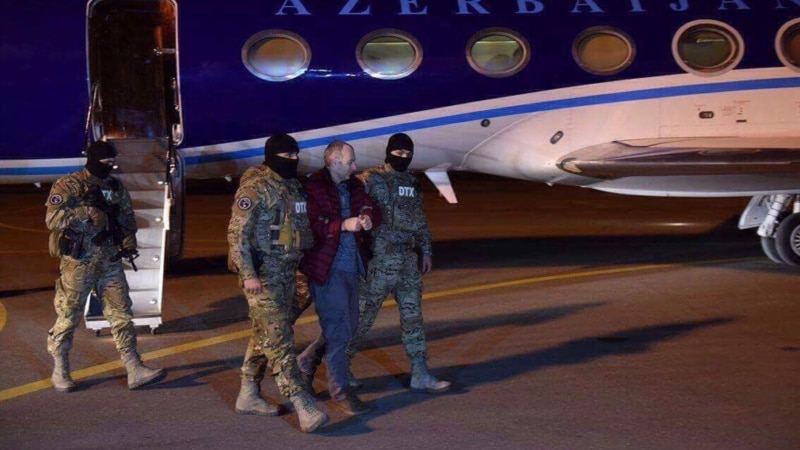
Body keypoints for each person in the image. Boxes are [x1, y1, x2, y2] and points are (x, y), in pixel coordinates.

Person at [45, 140, 166, 392]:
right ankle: (60, 369)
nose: (109, 167)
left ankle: (134, 367)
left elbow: (126, 216)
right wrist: (85, 212)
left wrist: (128, 237)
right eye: (105, 162)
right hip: (79, 263)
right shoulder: (69, 184)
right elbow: (52, 219)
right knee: (68, 315)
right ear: (92, 160)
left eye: (112, 162)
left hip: (109, 261)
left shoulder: (114, 186)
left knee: (121, 314)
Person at [227, 133, 328, 433]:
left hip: (289, 273)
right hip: (263, 276)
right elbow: (237, 235)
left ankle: (248, 393)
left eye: (296, 155)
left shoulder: (293, 186)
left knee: (267, 331)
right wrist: (248, 274)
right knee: (279, 338)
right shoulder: (255, 188)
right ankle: (303, 405)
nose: (293, 161)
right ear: (271, 157)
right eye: (287, 157)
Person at [347, 132, 451, 393]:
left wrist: (425, 251)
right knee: (361, 318)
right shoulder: (371, 179)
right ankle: (340, 366)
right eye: (398, 153)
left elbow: (419, 220)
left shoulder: (412, 183)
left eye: (407, 154)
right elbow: (349, 203)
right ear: (388, 152)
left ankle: (420, 372)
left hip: (407, 261)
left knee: (413, 318)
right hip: (379, 261)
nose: (403, 157)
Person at [297, 140, 380, 416]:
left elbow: (368, 204)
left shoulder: (353, 184)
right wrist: (343, 224)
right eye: (350, 161)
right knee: (339, 330)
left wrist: (367, 216)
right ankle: (340, 393)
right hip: (327, 269)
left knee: (348, 326)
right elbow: (312, 224)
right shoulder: (313, 187)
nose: (355, 167)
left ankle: (306, 361)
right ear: (334, 161)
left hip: (351, 267)